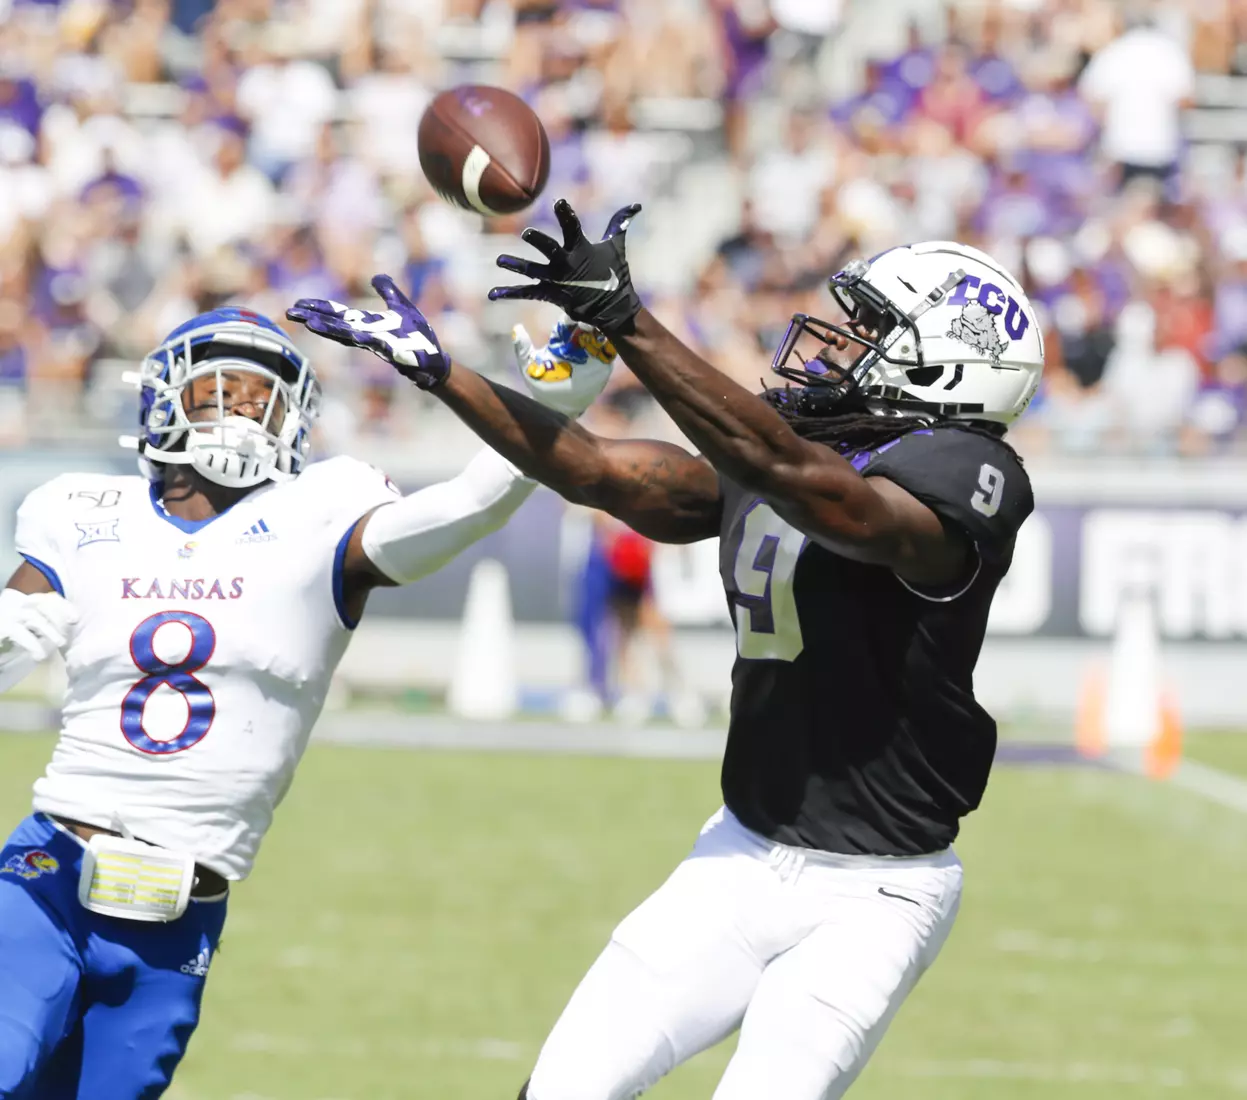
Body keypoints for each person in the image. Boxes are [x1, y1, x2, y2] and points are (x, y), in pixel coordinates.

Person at [287, 198, 1043, 1100]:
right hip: (739, 851)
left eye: (872, 333)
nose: (838, 345)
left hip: (874, 893)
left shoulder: (967, 470)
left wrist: (626, 320)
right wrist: (445, 373)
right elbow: (599, 470)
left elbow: (819, 494)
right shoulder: (803, 446)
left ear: (947, 360)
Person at [0, 304, 615, 1098]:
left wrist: (547, 406)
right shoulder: (82, 511)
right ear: (163, 399)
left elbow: (467, 505)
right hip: (47, 878)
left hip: (180, 918)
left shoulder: (320, 512)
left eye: (263, 390)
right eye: (219, 385)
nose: (243, 402)